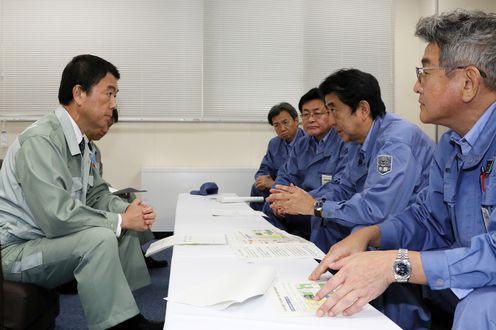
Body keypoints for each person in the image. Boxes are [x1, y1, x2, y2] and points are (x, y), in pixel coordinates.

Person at [309, 9, 496, 330]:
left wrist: (396, 264)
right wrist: (372, 233)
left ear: (468, 83)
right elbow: (428, 218)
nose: (416, 87)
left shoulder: (400, 139)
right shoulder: (452, 144)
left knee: (481, 309)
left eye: (425, 73)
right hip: (469, 267)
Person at [0, 55, 163, 329]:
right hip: (16, 253)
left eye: (116, 95)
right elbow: (55, 216)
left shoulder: (84, 146)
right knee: (99, 238)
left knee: (114, 230)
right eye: (109, 93)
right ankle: (120, 325)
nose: (114, 104)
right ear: (79, 93)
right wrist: (121, 221)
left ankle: (127, 313)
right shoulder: (41, 140)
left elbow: (97, 195)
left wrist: (127, 211)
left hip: (46, 245)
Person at [267, 69, 435, 253]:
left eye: (333, 110)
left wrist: (314, 206)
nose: (330, 121)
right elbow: (343, 187)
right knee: (324, 219)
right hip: (387, 219)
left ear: (363, 110)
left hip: (416, 233)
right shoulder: (357, 139)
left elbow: (377, 210)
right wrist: (299, 199)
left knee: (351, 228)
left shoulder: (395, 142)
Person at [86, 108, 168, 269]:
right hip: (85, 201)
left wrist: (111, 190)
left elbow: (97, 182)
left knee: (130, 198)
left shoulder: (95, 151)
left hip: (95, 195)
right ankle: (136, 257)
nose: (105, 131)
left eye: (109, 127)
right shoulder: (77, 150)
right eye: (104, 125)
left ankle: (142, 251)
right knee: (126, 205)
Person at [263, 87, 347, 240]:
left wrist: (301, 200)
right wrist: (279, 197)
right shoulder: (301, 144)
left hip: (319, 203)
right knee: (269, 206)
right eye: (306, 114)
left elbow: (340, 186)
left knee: (320, 216)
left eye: (317, 113)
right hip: (296, 203)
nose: (311, 119)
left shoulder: (344, 142)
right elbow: (285, 175)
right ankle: (285, 248)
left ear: (331, 113)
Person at [250, 102, 304, 210]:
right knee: (257, 188)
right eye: (276, 125)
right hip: (277, 188)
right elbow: (264, 168)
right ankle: (259, 224)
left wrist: (273, 184)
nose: (282, 128)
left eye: (285, 122)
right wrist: (262, 179)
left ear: (296, 121)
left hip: (297, 191)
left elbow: (304, 180)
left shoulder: (307, 142)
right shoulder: (274, 144)